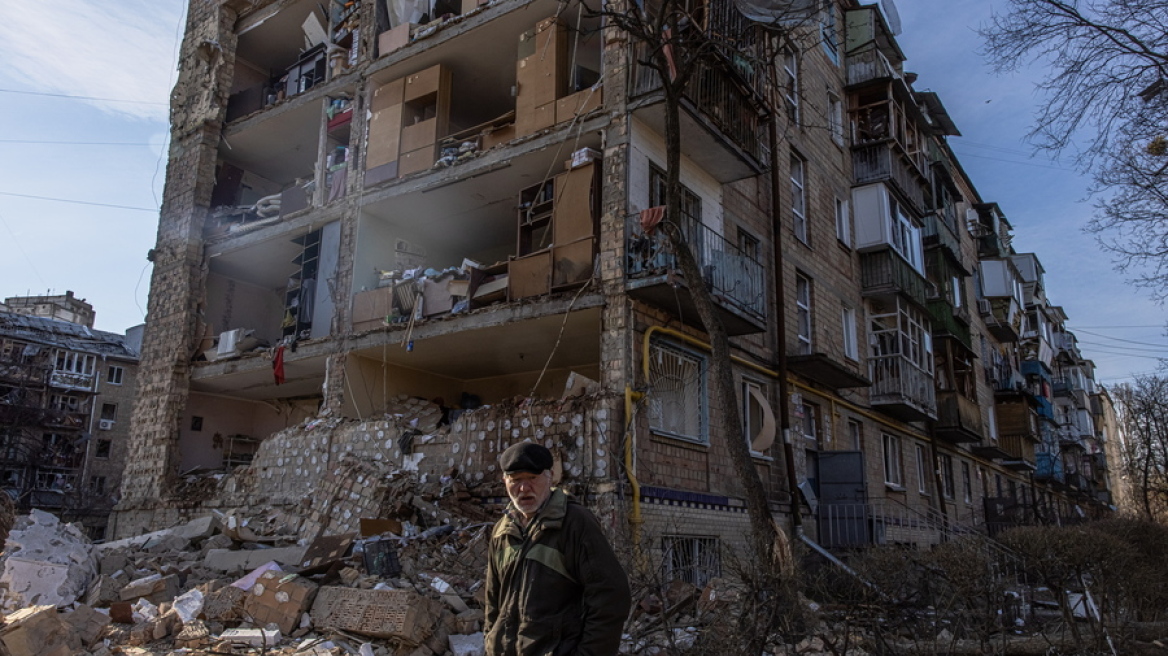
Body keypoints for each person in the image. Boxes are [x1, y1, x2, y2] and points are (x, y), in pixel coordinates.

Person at [485, 442, 631, 656]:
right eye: (515, 480)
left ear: (550, 477)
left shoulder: (574, 523)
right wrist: (491, 642)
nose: (523, 488)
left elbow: (611, 596)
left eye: (532, 478)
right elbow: (492, 602)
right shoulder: (502, 531)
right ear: (504, 481)